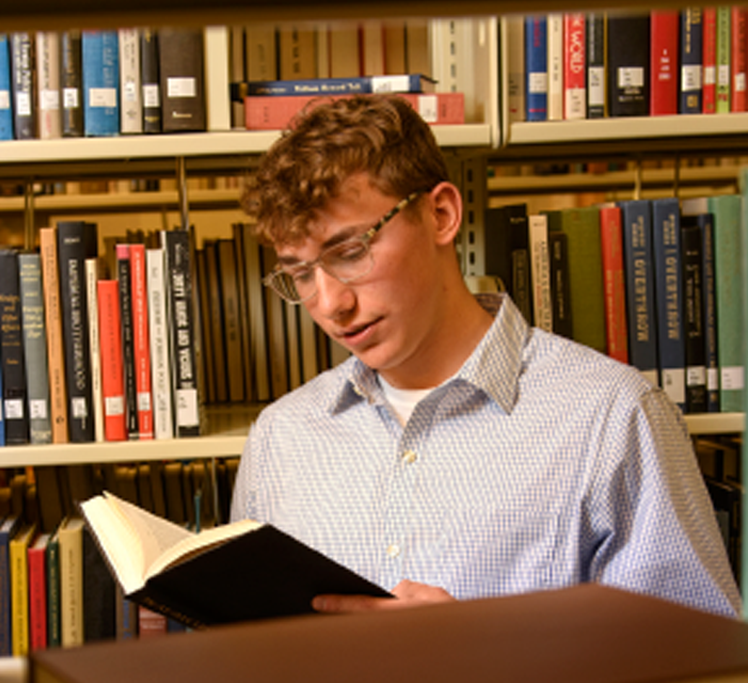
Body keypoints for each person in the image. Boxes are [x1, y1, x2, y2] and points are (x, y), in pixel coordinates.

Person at [230, 93, 741, 619]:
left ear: (441, 214)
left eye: (351, 252)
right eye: (299, 274)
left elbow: (700, 664)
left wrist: (483, 658)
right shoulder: (279, 438)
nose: (331, 303)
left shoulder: (613, 418)